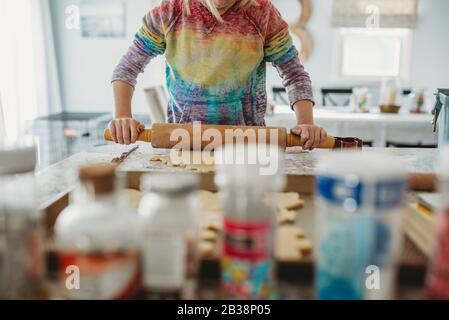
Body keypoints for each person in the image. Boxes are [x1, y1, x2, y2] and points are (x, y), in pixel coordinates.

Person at [109, 0, 327, 150]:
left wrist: (305, 122)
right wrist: (122, 116)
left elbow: (294, 73)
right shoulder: (170, 12)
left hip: (246, 144)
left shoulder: (263, 13)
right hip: (184, 141)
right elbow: (127, 67)